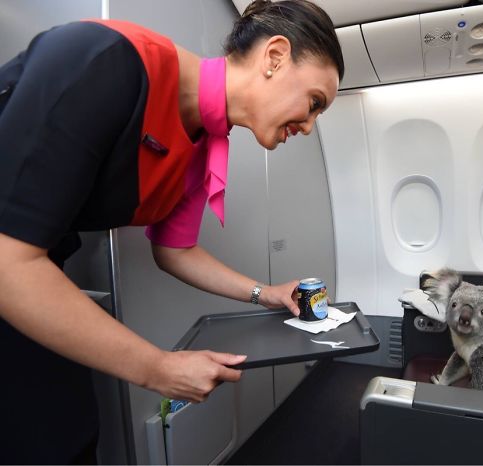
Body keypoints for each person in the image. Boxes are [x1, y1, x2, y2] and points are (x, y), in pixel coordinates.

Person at [0, 0, 344, 462]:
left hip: (35, 272)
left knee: (74, 431)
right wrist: (157, 367)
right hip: (15, 270)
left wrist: (269, 294)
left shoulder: (203, 140)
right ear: (275, 57)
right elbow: (9, 260)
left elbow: (174, 250)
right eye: (315, 103)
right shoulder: (105, 60)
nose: (308, 125)